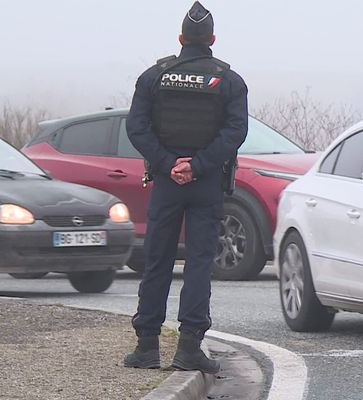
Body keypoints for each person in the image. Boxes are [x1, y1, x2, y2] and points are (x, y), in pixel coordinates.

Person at [124, 1, 248, 374]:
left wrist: (167, 164)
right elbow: (235, 132)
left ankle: (147, 347)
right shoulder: (229, 81)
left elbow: (137, 127)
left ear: (181, 38)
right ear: (212, 40)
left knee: (158, 260)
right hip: (205, 183)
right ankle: (189, 348)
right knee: (197, 263)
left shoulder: (154, 77)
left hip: (166, 182)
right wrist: (197, 166)